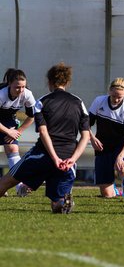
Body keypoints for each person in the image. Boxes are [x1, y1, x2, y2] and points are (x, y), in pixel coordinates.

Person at [0, 62, 90, 214]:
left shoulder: (42, 102)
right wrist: (73, 159)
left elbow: (43, 132)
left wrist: (53, 157)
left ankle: (25, 186)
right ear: (67, 82)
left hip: (42, 155)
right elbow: (86, 136)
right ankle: (60, 202)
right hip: (67, 159)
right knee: (56, 201)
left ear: (49, 81)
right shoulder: (79, 103)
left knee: (5, 183)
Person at [89, 77, 124, 199]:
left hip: (120, 148)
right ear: (109, 91)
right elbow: (85, 125)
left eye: (119, 97)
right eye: (114, 95)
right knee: (107, 195)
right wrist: (92, 138)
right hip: (102, 148)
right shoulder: (99, 101)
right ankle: (115, 190)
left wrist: (120, 156)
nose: (116, 99)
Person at [0, 68, 36, 196]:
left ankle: (19, 186)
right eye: (17, 87)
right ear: (9, 84)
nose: (20, 90)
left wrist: (17, 131)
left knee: (12, 149)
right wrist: (7, 132)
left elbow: (32, 116)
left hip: (9, 121)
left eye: (23, 87)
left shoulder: (27, 94)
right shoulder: (1, 94)